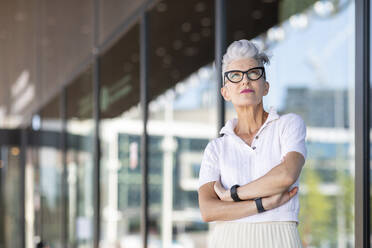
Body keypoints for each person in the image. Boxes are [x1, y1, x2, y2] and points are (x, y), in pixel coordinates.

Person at [198, 39, 307, 248]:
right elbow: (208, 210)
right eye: (235, 76)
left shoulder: (288, 125)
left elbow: (285, 176)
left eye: (253, 73)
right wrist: (263, 203)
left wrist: (232, 195)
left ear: (265, 87)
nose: (245, 81)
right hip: (227, 240)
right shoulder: (216, 148)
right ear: (225, 92)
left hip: (280, 238)